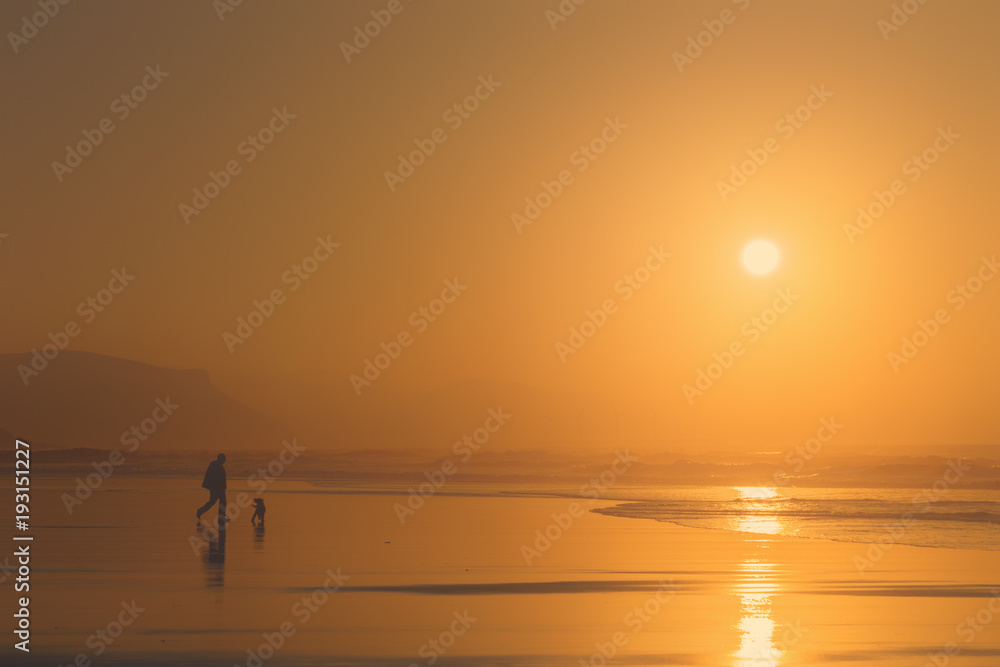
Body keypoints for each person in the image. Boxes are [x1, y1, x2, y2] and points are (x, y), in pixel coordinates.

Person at [196, 454, 227, 521]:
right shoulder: (216, 466)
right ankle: (221, 518)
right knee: (221, 502)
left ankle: (200, 511)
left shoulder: (216, 465)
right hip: (217, 488)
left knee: (215, 502)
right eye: (224, 459)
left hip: (217, 487)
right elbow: (217, 478)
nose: (225, 460)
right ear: (220, 459)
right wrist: (221, 486)